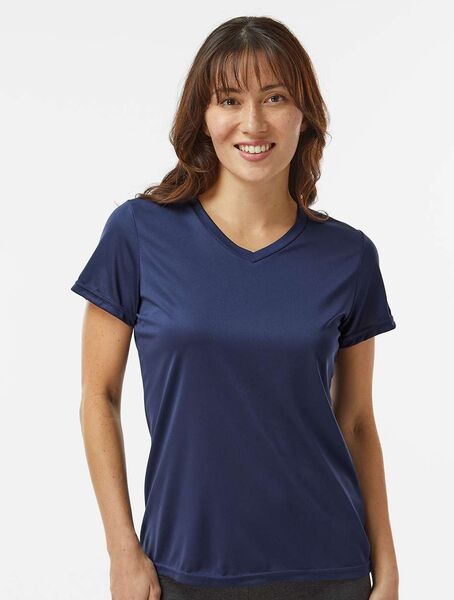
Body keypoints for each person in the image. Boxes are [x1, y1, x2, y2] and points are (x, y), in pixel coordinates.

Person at [70, 15, 399, 600]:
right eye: (229, 100)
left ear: (304, 115)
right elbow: (100, 396)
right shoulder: (139, 233)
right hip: (181, 569)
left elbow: (355, 421)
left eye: (275, 97)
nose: (253, 123)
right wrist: (123, 552)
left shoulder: (349, 256)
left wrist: (388, 568)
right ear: (203, 115)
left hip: (327, 569)